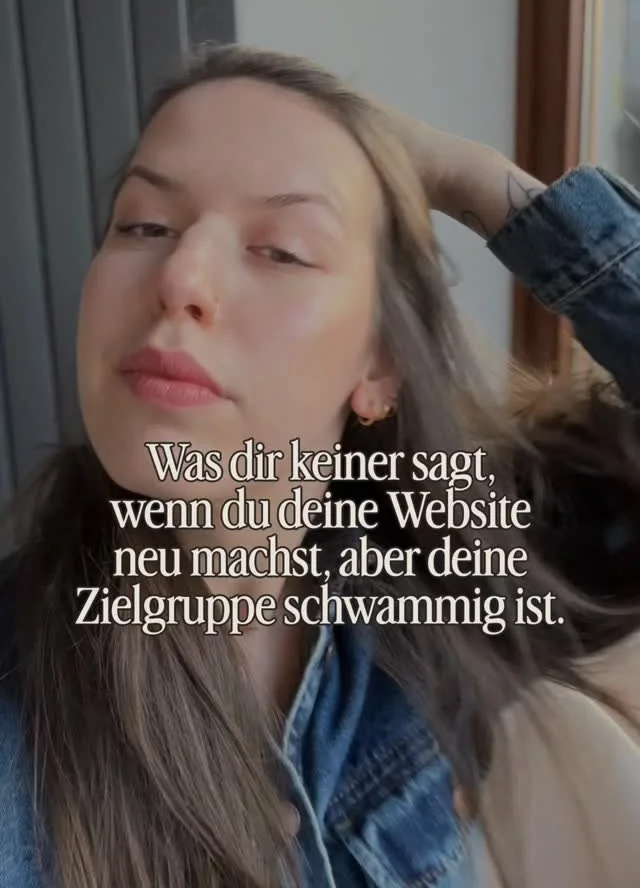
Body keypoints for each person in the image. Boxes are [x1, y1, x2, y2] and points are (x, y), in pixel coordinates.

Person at [0, 43, 639, 888]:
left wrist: (473, 180)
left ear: (379, 368)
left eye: (282, 249)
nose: (181, 274)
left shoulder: (433, 596)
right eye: (144, 225)